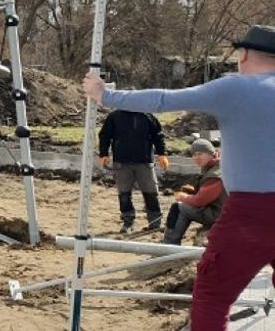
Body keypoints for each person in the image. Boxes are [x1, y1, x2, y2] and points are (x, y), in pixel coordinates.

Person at [83, 24, 275, 331]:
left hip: (249, 214)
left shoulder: (236, 87)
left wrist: (105, 95)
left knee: (213, 296)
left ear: (245, 54)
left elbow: (164, 99)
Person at [98, 109, 169, 233]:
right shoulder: (115, 116)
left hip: (144, 161)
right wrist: (103, 153)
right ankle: (128, 222)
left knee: (150, 192)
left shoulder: (147, 116)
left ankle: (155, 222)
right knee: (124, 194)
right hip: (121, 162)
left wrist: (161, 153)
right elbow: (105, 135)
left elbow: (157, 135)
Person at [163, 139, 227, 245]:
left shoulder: (214, 175)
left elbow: (200, 201)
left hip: (220, 215)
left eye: (200, 154)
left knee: (179, 208)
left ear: (211, 153)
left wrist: (183, 197)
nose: (196, 158)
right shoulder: (217, 166)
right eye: (194, 154)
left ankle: (169, 244)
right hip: (225, 211)